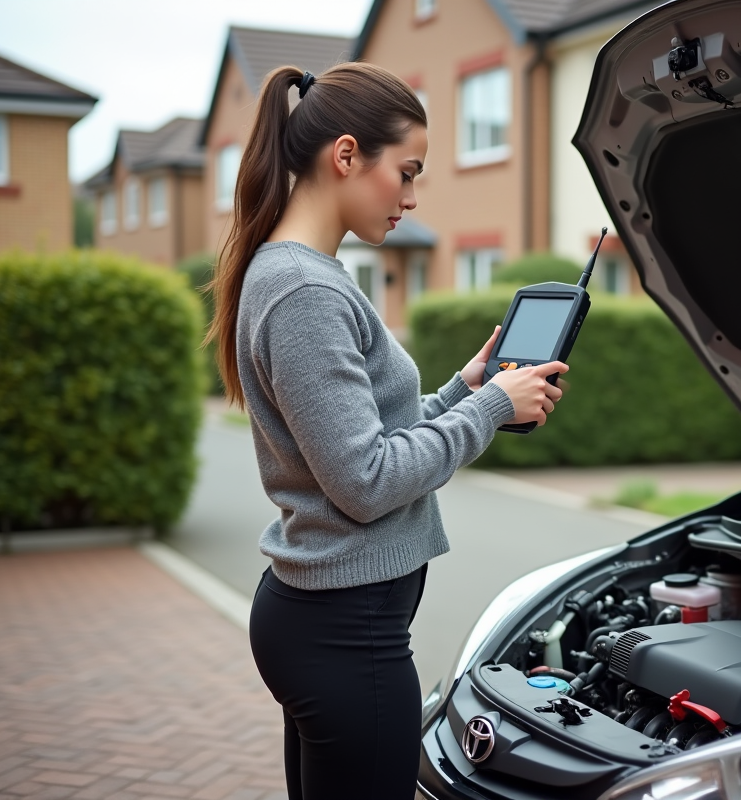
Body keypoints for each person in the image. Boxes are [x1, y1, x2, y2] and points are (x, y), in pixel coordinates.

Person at [204, 62, 567, 799]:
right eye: (405, 172)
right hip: (345, 636)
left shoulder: (306, 275)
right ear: (346, 155)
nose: (410, 198)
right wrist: (493, 408)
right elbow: (365, 481)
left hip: (333, 627)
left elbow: (363, 437)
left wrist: (464, 391)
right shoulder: (304, 289)